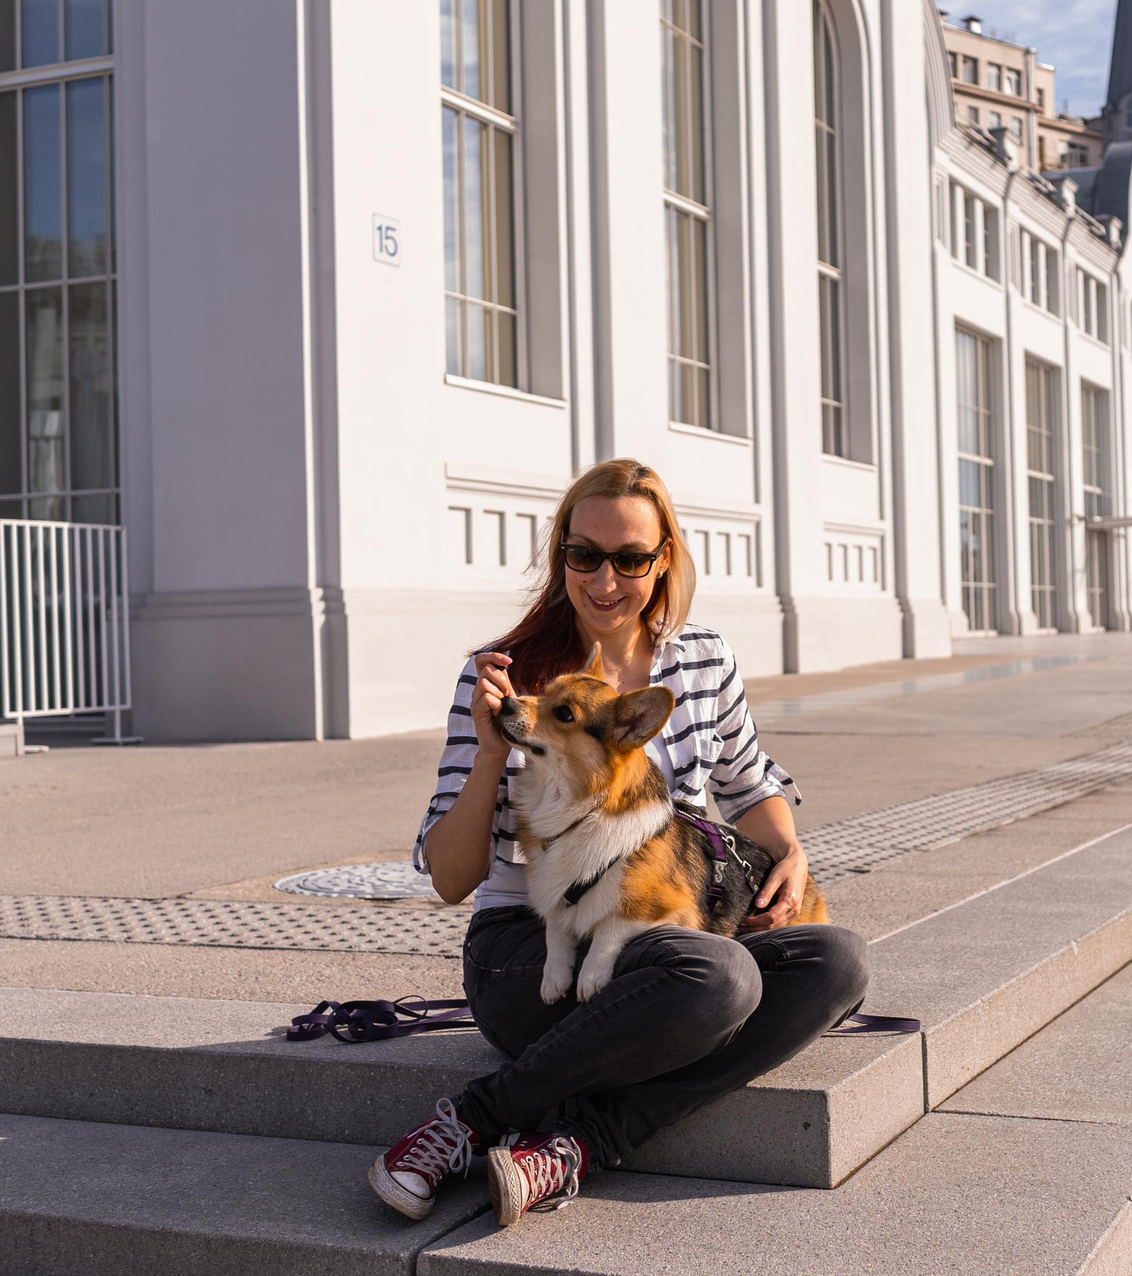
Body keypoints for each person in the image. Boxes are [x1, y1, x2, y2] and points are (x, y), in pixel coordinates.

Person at [370, 458, 869, 1226]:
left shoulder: (703, 661)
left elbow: (749, 782)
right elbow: (449, 876)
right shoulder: (506, 676)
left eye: (630, 559)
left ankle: (572, 1142)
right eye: (584, 555)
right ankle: (472, 1120)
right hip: (529, 953)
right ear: (559, 554)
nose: (605, 579)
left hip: (674, 939)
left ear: (663, 557)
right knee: (721, 982)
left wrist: (792, 855)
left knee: (837, 961)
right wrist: (494, 750)